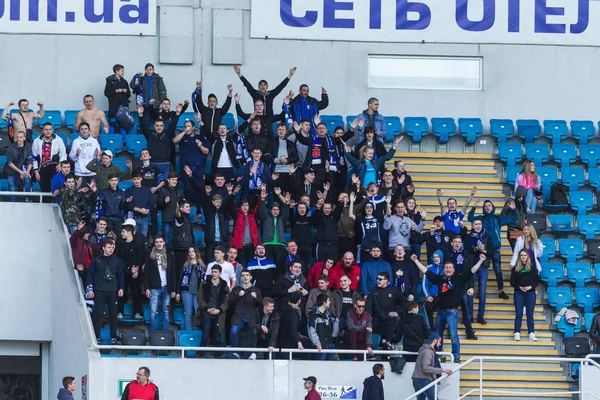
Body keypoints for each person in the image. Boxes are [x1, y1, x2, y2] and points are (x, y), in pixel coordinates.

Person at [412, 253, 486, 363]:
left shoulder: (459, 278)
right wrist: (415, 261)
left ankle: (456, 357)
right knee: (438, 335)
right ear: (443, 269)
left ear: (454, 269)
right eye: (446, 267)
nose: (448, 269)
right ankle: (439, 357)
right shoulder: (440, 279)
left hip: (452, 311)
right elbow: (426, 272)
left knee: (453, 335)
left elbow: (472, 271)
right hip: (440, 311)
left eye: (450, 267)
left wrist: (480, 260)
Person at [468, 199, 516, 300]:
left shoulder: (497, 218)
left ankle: (501, 290)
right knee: (480, 270)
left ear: (493, 207)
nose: (487, 207)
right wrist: (474, 207)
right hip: (483, 250)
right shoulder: (482, 218)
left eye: (489, 205)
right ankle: (479, 291)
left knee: (498, 270)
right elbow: (470, 218)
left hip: (496, 250)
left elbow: (513, 219)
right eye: (485, 206)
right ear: (483, 208)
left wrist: (513, 209)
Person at [86, 238, 124, 343]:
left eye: (112, 247)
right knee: (97, 315)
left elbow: (120, 275)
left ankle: (113, 336)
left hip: (113, 291)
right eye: (109, 247)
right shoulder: (96, 260)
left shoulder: (117, 261)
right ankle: (96, 336)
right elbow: (90, 275)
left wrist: (121, 287)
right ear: (103, 248)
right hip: (99, 290)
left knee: (113, 315)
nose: (111, 249)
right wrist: (90, 288)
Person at [143, 235, 176, 331]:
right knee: (153, 312)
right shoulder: (150, 255)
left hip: (167, 287)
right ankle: (152, 334)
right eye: (157, 242)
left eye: (160, 242)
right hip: (154, 287)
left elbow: (173, 272)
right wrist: (147, 288)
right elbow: (146, 273)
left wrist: (173, 289)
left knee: (166, 311)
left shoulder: (169, 255)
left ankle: (165, 333)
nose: (159, 244)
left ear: (164, 243)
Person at [195, 264, 230, 351]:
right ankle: (201, 356)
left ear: (220, 273)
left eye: (216, 272)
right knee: (205, 337)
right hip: (206, 313)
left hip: (219, 315)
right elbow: (199, 298)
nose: (214, 274)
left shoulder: (225, 286)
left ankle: (217, 358)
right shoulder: (204, 283)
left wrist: (219, 310)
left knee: (217, 338)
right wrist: (207, 308)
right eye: (213, 272)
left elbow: (227, 302)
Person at [230, 269, 263, 358]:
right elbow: (230, 302)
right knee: (233, 331)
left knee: (252, 334)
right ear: (240, 278)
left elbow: (261, 304)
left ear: (250, 277)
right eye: (243, 275)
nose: (245, 277)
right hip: (239, 317)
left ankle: (248, 355)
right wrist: (238, 296)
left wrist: (256, 297)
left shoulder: (255, 289)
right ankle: (235, 352)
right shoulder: (236, 289)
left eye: (247, 275)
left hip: (251, 318)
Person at [366, 271, 405, 345]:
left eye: (380, 279)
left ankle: (386, 354)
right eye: (377, 279)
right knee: (371, 333)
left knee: (388, 340)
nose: (378, 281)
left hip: (389, 318)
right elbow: (368, 305)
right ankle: (371, 353)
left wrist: (397, 312)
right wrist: (368, 317)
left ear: (386, 280)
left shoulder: (393, 291)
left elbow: (403, 302)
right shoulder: (373, 290)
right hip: (376, 317)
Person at [510, 250, 541, 342]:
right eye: (521, 255)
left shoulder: (532, 267)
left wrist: (530, 287)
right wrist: (519, 287)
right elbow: (512, 282)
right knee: (519, 313)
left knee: (530, 314)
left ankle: (531, 333)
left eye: (525, 255)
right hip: (519, 292)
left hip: (530, 292)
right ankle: (517, 332)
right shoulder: (515, 268)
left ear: (527, 256)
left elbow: (537, 280)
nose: (523, 257)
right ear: (519, 257)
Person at [32, 122, 67, 201]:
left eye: (50, 129)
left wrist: (61, 164)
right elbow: (34, 158)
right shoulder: (37, 141)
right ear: (43, 130)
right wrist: (36, 171)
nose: (48, 131)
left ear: (52, 130)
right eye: (46, 129)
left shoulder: (58, 140)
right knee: (45, 189)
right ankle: (45, 207)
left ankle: (57, 204)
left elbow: (63, 154)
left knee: (57, 186)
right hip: (43, 167)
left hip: (55, 166)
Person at [412, 332, 452, 400]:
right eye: (439, 342)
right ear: (434, 341)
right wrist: (442, 370)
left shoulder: (424, 350)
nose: (440, 344)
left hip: (417, 379)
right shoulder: (428, 352)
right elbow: (426, 368)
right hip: (423, 379)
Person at [117, 224, 145, 319]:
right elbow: (119, 260)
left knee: (136, 293)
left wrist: (137, 269)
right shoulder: (120, 244)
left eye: (123, 232)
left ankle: (137, 312)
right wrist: (128, 271)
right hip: (123, 274)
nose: (121, 234)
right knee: (121, 292)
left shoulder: (138, 244)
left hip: (135, 274)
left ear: (129, 232)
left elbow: (141, 258)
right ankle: (119, 311)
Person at [260, 190, 290, 272]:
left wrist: (286, 203)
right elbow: (262, 211)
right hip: (268, 244)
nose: (275, 211)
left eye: (277, 209)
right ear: (270, 210)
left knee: (279, 266)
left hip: (279, 244)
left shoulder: (282, 218)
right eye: (273, 209)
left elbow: (286, 213)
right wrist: (262, 200)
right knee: (268, 266)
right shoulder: (266, 217)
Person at [176, 246, 206, 331]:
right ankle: (189, 332)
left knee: (197, 312)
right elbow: (180, 279)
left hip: (198, 292)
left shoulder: (202, 265)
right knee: (188, 313)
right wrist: (178, 292)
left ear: (197, 253)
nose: (191, 253)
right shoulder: (185, 265)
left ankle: (196, 331)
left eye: (193, 251)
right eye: (189, 252)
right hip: (187, 291)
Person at [203, 185, 234, 262]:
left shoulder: (223, 212)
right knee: (209, 262)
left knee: (223, 262)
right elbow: (205, 204)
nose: (218, 204)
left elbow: (229, 204)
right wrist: (207, 194)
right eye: (217, 202)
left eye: (220, 202)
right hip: (211, 241)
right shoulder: (209, 212)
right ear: (213, 202)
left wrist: (230, 193)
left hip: (222, 241)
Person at [122, 169, 155, 237]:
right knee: (132, 238)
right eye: (134, 179)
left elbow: (152, 204)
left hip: (144, 218)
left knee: (143, 238)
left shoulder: (147, 190)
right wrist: (138, 209)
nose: (136, 181)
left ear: (141, 179)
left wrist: (148, 210)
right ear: (132, 180)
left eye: (138, 179)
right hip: (133, 218)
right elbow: (126, 205)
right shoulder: (129, 190)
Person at [104, 64, 131, 142]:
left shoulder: (124, 81)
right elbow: (106, 93)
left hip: (124, 107)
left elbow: (129, 95)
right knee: (113, 123)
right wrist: (116, 91)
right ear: (117, 71)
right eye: (122, 71)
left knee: (123, 124)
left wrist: (125, 91)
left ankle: (124, 142)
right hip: (114, 107)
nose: (123, 72)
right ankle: (110, 140)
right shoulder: (110, 80)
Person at [157, 172, 184, 249]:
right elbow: (159, 206)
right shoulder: (163, 191)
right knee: (166, 240)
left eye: (176, 180)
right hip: (167, 219)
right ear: (168, 180)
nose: (174, 181)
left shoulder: (179, 191)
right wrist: (164, 202)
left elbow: (183, 204)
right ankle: (167, 258)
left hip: (177, 219)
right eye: (172, 180)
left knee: (177, 240)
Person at [308, 294, 339, 360]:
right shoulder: (314, 315)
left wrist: (334, 333)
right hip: (320, 347)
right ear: (324, 302)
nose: (330, 302)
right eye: (328, 300)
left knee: (330, 368)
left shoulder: (329, 314)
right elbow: (311, 331)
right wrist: (317, 344)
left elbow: (336, 321)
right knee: (320, 368)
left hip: (330, 345)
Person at [421, 250, 445, 331]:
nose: (436, 259)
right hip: (433, 296)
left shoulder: (446, 267)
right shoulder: (428, 268)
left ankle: (444, 328)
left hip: (443, 296)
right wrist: (428, 295)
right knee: (426, 306)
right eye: (434, 257)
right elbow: (424, 283)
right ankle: (431, 327)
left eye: (437, 257)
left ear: (441, 258)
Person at [5, 130, 33, 198]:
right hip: (11, 170)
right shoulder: (11, 147)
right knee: (12, 184)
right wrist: (20, 172)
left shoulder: (28, 147)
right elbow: (9, 163)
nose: (18, 139)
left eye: (20, 137)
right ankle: (14, 203)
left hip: (22, 169)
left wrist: (27, 172)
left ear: (24, 138)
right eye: (17, 137)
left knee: (27, 179)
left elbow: (30, 161)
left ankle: (27, 198)